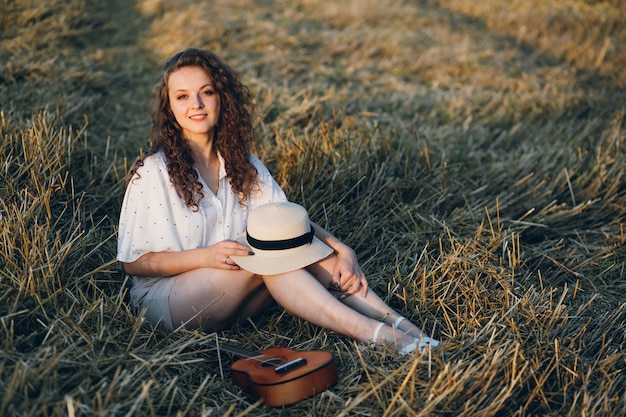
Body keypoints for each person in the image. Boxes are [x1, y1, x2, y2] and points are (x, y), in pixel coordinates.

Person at [117, 47, 439, 354]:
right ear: (169, 108)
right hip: (168, 301)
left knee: (281, 251)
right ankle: (376, 336)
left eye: (207, 92)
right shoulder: (154, 172)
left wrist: (342, 250)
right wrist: (205, 257)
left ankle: (409, 331)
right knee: (268, 258)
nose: (197, 104)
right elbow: (134, 263)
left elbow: (285, 223)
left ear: (222, 99)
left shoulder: (241, 161)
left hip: (234, 291)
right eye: (183, 96)